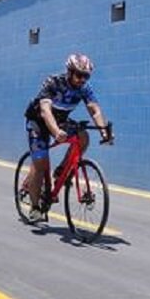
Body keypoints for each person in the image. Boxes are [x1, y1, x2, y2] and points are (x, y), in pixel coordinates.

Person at [22, 53, 113, 223]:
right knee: (40, 164)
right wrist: (56, 132)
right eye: (79, 75)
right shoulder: (53, 83)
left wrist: (103, 130)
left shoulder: (84, 88)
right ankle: (35, 208)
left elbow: (94, 109)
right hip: (39, 121)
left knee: (83, 136)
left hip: (60, 121)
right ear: (69, 71)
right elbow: (45, 110)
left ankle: (61, 172)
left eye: (86, 76)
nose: (82, 80)